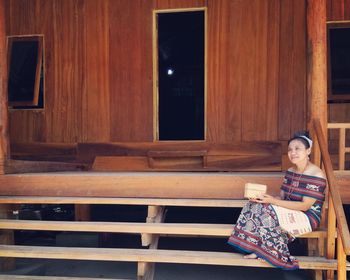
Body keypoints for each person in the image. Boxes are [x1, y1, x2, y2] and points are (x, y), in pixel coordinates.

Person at [227, 131, 326, 270]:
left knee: (268, 210)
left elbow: (305, 205)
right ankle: (257, 249)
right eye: (290, 149)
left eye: (298, 149)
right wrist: (265, 198)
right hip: (289, 209)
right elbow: (282, 198)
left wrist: (272, 202)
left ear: (308, 150)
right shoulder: (291, 171)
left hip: (307, 216)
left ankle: (274, 253)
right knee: (254, 204)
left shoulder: (316, 174)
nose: (293, 152)